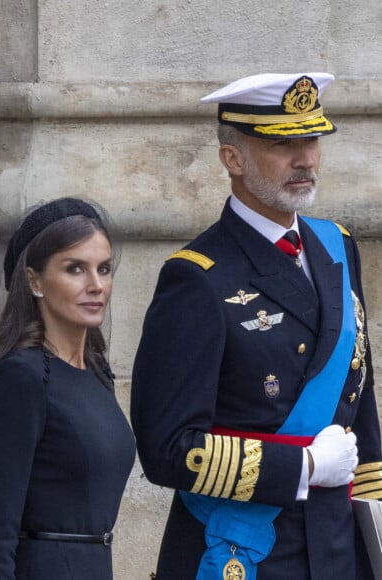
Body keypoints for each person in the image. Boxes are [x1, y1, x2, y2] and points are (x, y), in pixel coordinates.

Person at [131, 72, 382, 579]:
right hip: (244, 551)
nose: (305, 159)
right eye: (282, 143)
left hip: (337, 548)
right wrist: (303, 468)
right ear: (233, 159)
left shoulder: (337, 246)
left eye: (311, 138)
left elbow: (362, 410)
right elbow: (167, 448)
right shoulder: (196, 278)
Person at [0, 197, 136, 580]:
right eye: (75, 269)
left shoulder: (97, 372)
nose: (96, 285)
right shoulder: (22, 377)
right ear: (34, 280)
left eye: (105, 268)